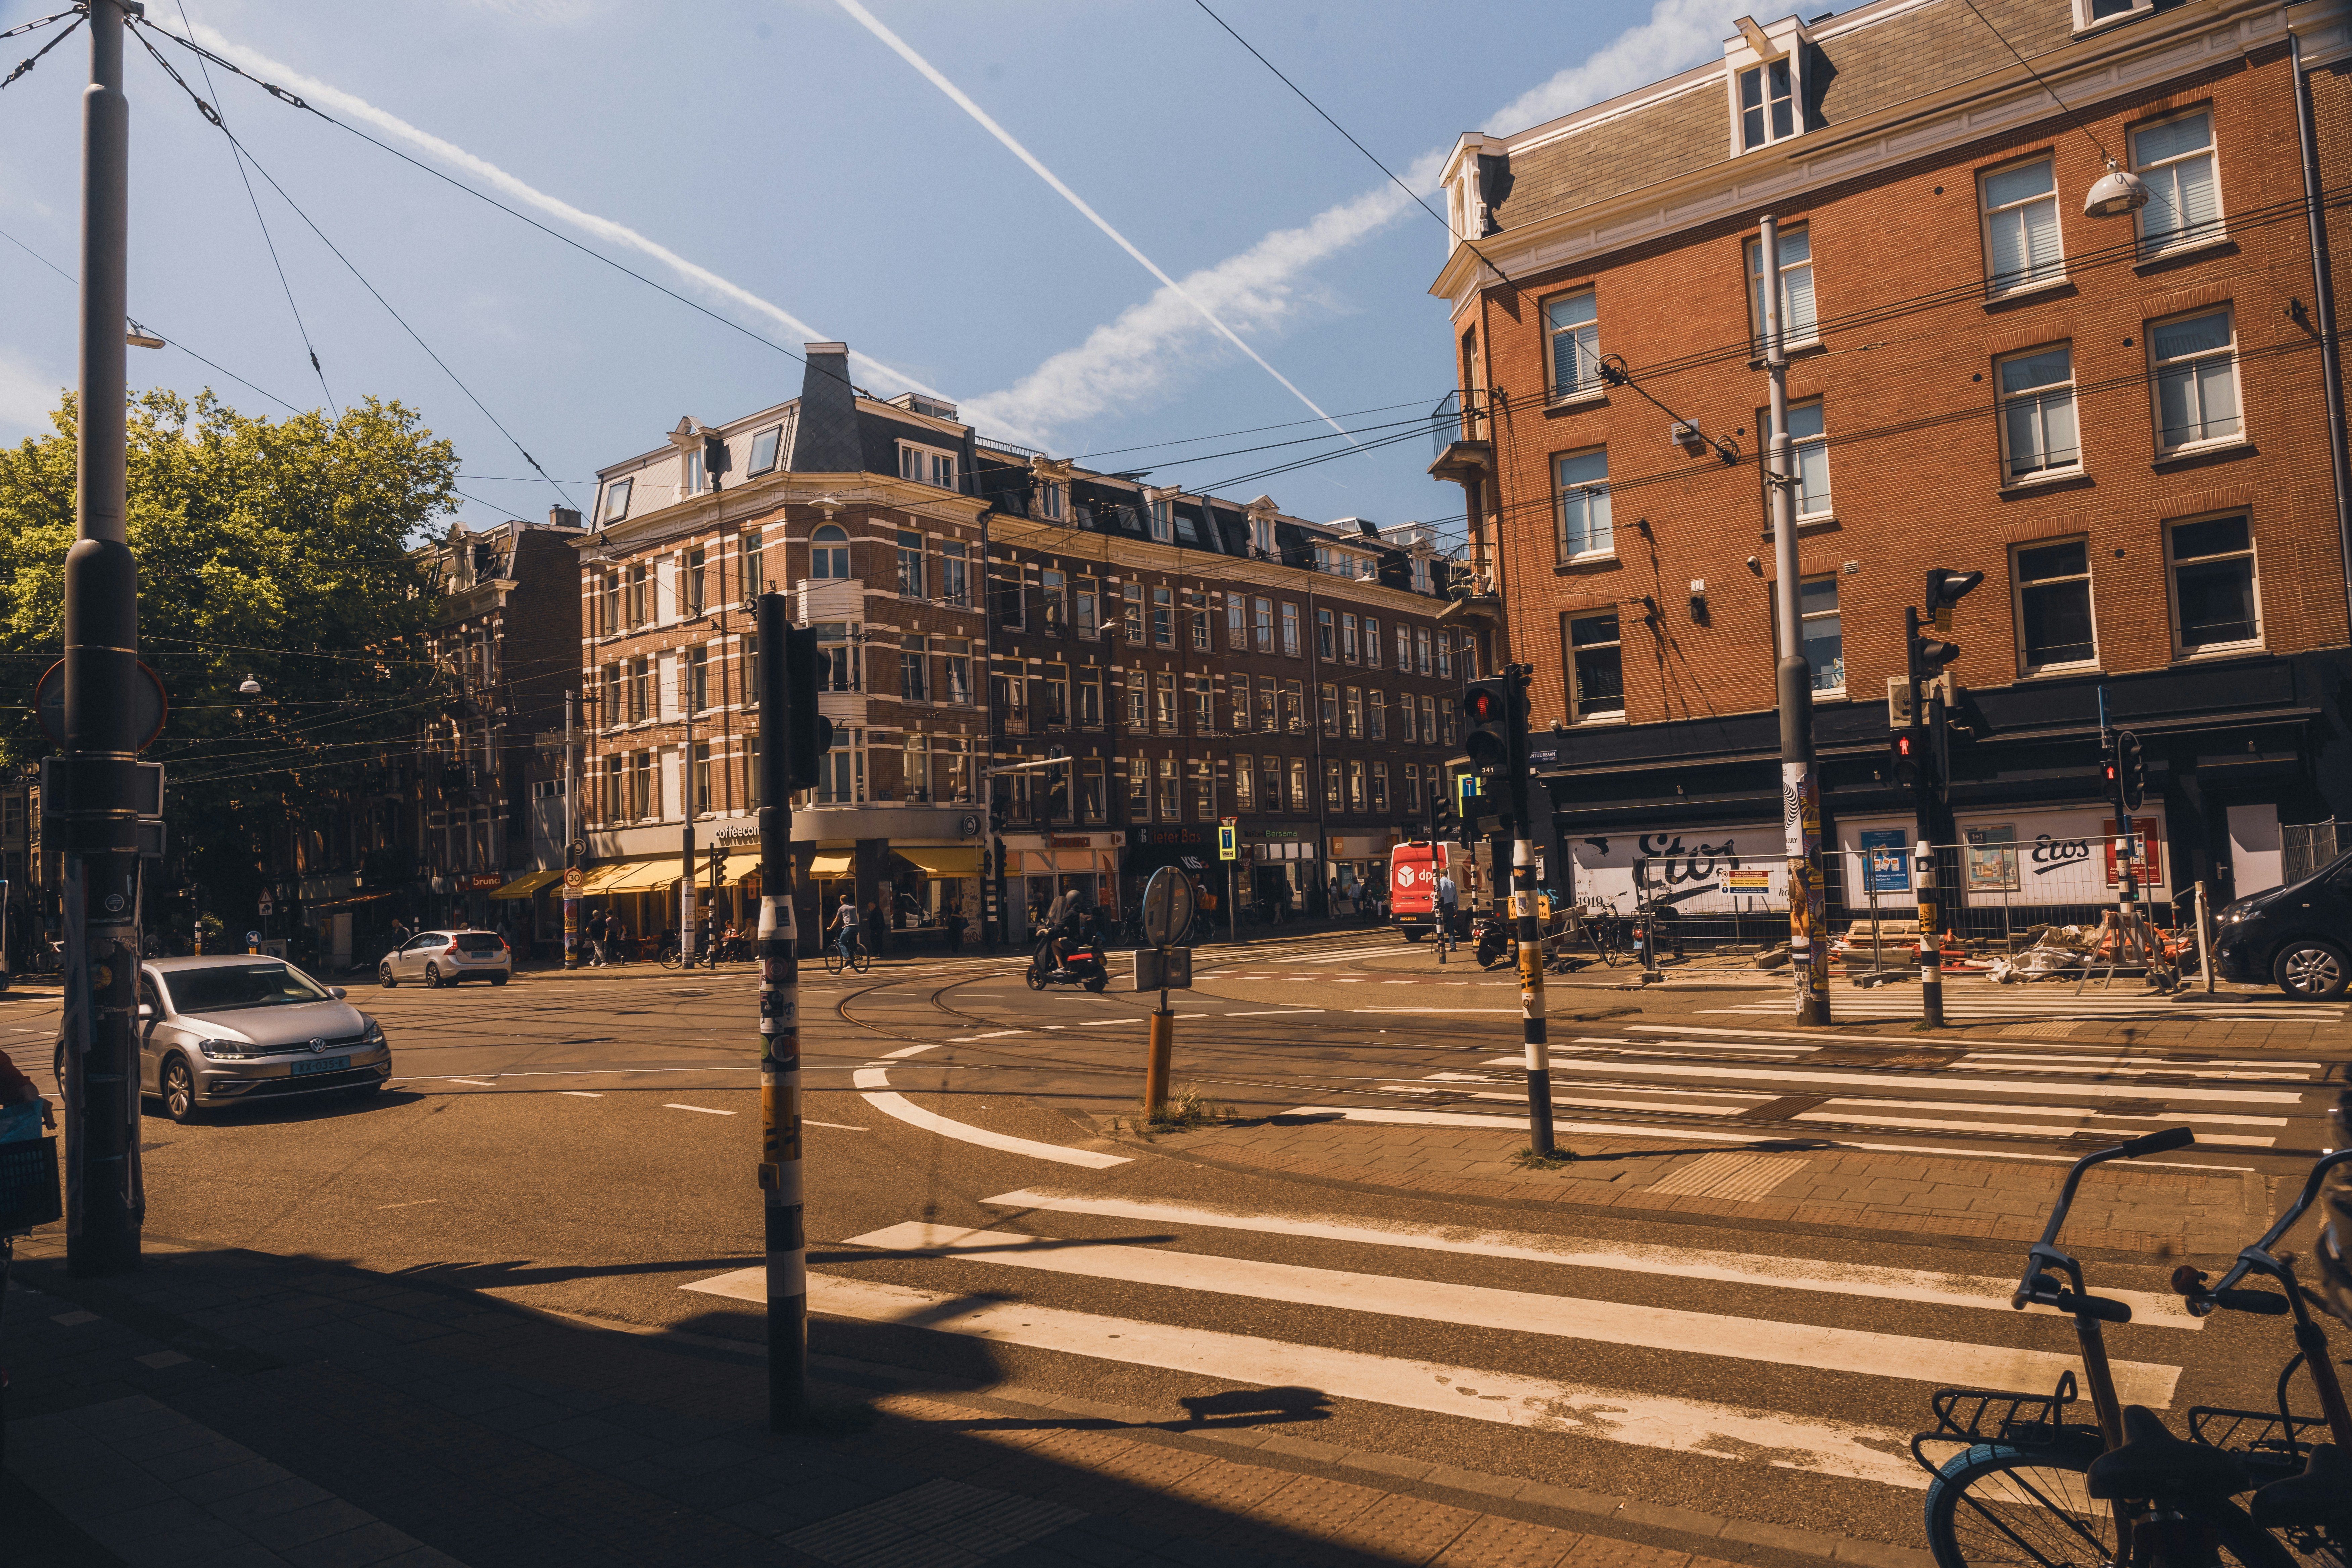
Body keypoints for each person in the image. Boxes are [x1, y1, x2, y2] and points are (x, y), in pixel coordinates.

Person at [830, 895, 861, 966]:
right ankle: (852, 959)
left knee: (841, 943)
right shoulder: (853, 907)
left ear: (841, 901)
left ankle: (848, 958)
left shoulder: (842, 908)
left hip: (849, 928)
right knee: (850, 942)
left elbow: (836, 920)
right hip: (857, 927)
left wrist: (830, 928)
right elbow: (851, 918)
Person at [1436, 869, 1459, 940]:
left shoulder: (1439, 883)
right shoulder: (1452, 883)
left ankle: (1442, 945)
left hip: (1442, 906)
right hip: (1450, 906)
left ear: (1441, 874)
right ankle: (1453, 946)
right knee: (1451, 927)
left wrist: (1434, 908)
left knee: (1440, 926)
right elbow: (1456, 898)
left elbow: (1436, 896)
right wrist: (1455, 909)